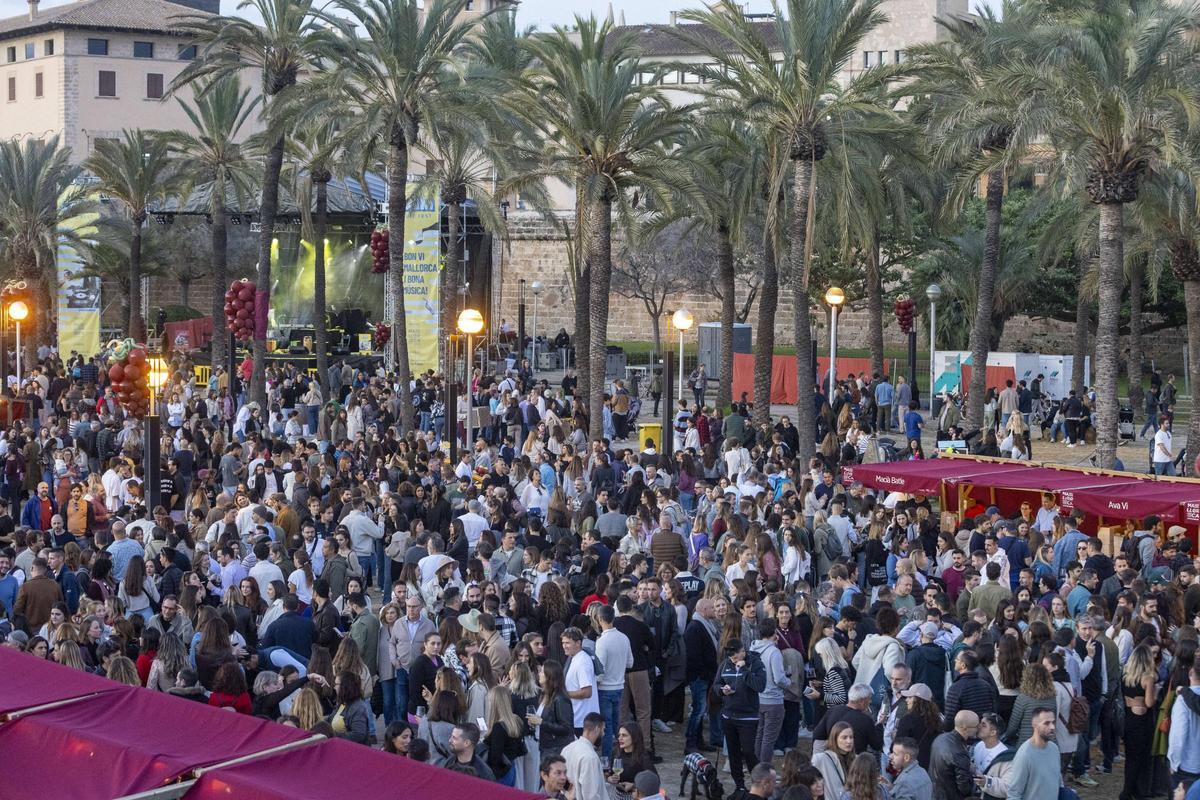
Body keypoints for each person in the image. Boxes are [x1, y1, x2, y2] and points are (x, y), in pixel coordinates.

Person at [716, 637, 767, 790]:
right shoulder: (725, 664)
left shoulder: (756, 664)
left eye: (736, 656)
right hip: (729, 716)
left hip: (748, 717)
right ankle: (740, 786)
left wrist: (744, 670)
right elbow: (716, 684)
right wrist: (721, 690)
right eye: (731, 657)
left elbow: (760, 686)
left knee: (749, 751)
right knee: (733, 753)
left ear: (743, 652)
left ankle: (759, 783)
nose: (733, 659)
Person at [1006, 708, 1062, 800]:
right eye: (1046, 723)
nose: (1052, 727)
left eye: (1053, 722)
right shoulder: (1025, 755)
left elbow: (1058, 781)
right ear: (1034, 725)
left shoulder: (1054, 749)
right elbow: (1013, 793)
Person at [928, 710, 977, 800]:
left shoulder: (940, 738)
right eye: (976, 726)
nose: (978, 728)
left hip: (934, 793)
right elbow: (964, 788)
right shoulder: (960, 753)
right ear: (965, 728)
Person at [562, 626, 600, 732]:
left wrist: (563, 694)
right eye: (563, 643)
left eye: (567, 643)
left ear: (578, 643)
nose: (564, 646)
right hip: (577, 718)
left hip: (581, 721)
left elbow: (587, 692)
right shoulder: (575, 658)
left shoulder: (583, 662)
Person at [563, 712, 607, 800]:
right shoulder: (590, 757)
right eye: (603, 730)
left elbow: (563, 783)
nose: (603, 734)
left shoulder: (567, 749)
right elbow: (591, 795)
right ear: (597, 729)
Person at [812, 721, 855, 799]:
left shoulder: (856, 760)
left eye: (851, 737)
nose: (849, 741)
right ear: (835, 739)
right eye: (844, 737)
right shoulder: (821, 759)